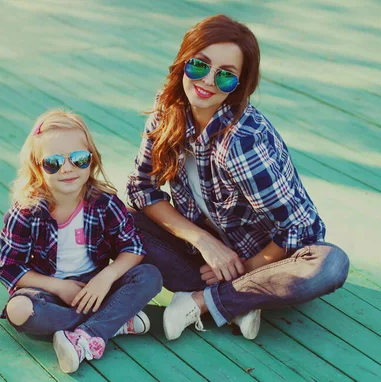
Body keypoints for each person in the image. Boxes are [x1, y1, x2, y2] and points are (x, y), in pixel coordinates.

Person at [126, 14, 349, 341]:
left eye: (226, 76)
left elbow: (302, 230)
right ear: (183, 63)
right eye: (200, 66)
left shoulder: (241, 142)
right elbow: (141, 190)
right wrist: (203, 241)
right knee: (109, 213)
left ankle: (205, 300)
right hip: (202, 258)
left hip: (265, 263)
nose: (208, 82)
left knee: (330, 264)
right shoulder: (168, 111)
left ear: (240, 85)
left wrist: (245, 266)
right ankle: (239, 302)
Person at [0, 109, 162, 373]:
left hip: (96, 287)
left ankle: (86, 333)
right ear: (37, 168)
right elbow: (10, 268)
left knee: (150, 275)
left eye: (79, 159)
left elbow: (133, 248)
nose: (67, 169)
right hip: (48, 290)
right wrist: (59, 287)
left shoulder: (105, 203)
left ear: (92, 160)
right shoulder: (26, 212)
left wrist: (104, 278)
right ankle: (113, 321)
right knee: (18, 310)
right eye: (53, 163)